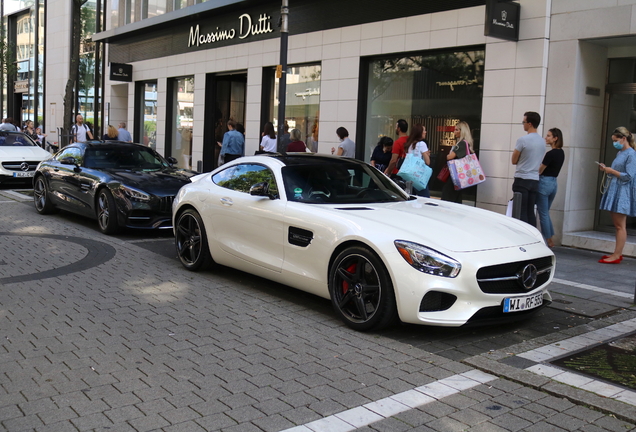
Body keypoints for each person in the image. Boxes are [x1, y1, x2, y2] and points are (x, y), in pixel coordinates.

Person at [597, 126, 636, 264]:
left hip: (622, 192)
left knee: (620, 225)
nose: (614, 143)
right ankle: (616, 253)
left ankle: (617, 254)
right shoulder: (621, 153)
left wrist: (611, 171)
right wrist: (607, 170)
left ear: (623, 139)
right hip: (615, 190)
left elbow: (629, 176)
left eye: (616, 140)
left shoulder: (631, 154)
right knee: (617, 224)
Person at [511, 111, 545, 226]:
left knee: (521, 211)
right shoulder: (542, 141)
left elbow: (514, 160)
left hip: (522, 178)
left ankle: (522, 237)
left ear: (529, 124)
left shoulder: (523, 140)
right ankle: (533, 235)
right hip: (534, 179)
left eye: (523, 122)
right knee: (530, 211)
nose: (523, 124)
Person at [536, 128, 565, 248]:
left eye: (548, 136)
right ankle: (550, 237)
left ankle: (548, 240)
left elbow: (540, 170)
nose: (546, 138)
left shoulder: (550, 154)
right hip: (553, 183)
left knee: (543, 213)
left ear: (555, 138)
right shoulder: (561, 152)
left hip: (544, 182)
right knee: (546, 212)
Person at [442, 121, 474, 203]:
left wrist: (448, 154)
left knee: (448, 196)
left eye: (456, 130)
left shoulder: (461, 144)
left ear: (462, 131)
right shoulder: (466, 143)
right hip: (461, 175)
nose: (454, 132)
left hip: (456, 175)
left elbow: (450, 156)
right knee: (456, 198)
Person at [404, 124, 431, 197]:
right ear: (420, 132)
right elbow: (427, 162)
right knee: (425, 198)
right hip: (419, 175)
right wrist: (427, 155)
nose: (425, 132)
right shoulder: (422, 144)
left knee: (412, 197)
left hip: (410, 175)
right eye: (424, 130)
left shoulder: (410, 144)